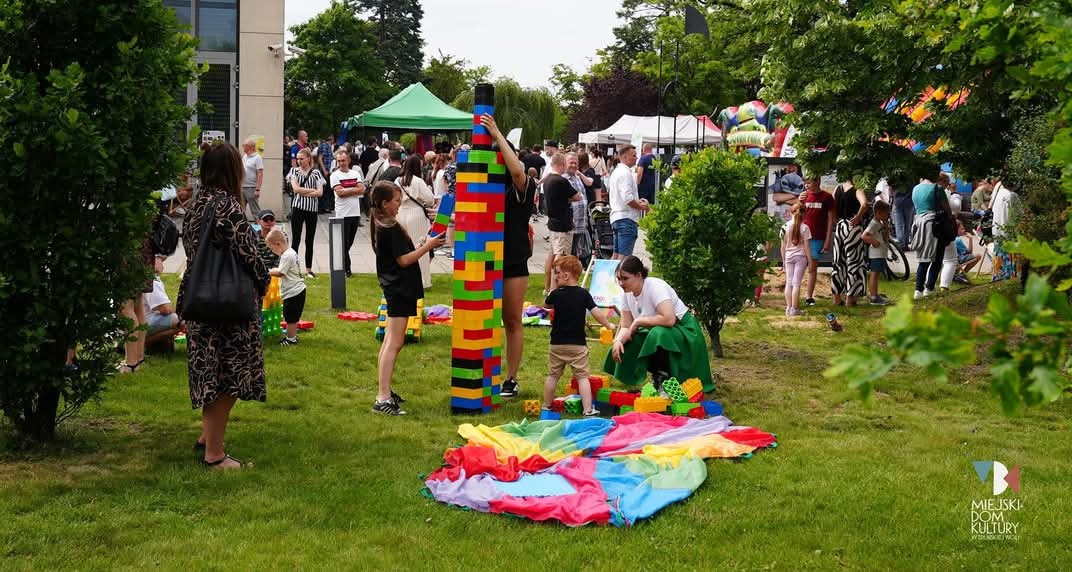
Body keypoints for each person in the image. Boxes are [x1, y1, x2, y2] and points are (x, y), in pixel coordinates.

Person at [177, 141, 270, 470]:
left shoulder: (197, 204)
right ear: (232, 170)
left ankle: (207, 437)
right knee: (227, 377)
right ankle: (214, 454)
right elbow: (250, 253)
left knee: (208, 371)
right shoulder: (228, 206)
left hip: (199, 300)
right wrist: (264, 280)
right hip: (228, 305)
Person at [368, 181, 446, 415]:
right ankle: (382, 398)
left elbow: (400, 254)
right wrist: (429, 246)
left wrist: (422, 244)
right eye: (396, 201)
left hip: (395, 288)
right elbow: (403, 260)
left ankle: (385, 391)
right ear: (384, 203)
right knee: (395, 342)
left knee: (390, 341)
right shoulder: (388, 227)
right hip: (399, 289)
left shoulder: (383, 223)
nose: (399, 204)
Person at [480, 114, 538, 399]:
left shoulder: (523, 188)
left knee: (512, 320)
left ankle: (511, 378)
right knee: (484, 319)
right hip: (485, 260)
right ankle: (483, 372)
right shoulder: (488, 189)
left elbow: (518, 173)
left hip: (513, 261)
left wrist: (497, 135)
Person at [604, 256, 714, 392]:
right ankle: (652, 377)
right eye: (619, 279)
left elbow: (669, 319)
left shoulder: (655, 287)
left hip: (683, 330)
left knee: (657, 334)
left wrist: (638, 321)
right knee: (634, 339)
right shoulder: (627, 294)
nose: (621, 283)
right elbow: (626, 326)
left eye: (625, 278)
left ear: (638, 275)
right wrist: (618, 340)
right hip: (655, 330)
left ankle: (664, 378)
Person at [542, 256, 615, 416]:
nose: (555, 276)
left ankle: (546, 405)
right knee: (582, 377)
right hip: (577, 345)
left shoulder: (556, 294)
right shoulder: (583, 294)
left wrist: (553, 288)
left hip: (557, 344)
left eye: (557, 273)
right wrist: (608, 325)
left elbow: (546, 304)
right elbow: (596, 313)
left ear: (566, 276)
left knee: (553, 375)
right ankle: (588, 409)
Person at [909, 169, 954, 298]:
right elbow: (947, 209)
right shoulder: (937, 188)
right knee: (937, 258)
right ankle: (929, 287)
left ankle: (918, 289)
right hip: (934, 225)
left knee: (923, 259)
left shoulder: (915, 188)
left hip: (918, 224)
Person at [394, 155, 436, 289]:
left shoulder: (397, 180)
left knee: (404, 249)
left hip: (400, 213)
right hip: (416, 214)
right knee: (421, 247)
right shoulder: (418, 181)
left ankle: (404, 278)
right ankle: (423, 280)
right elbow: (430, 199)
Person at [543, 153, 581, 294]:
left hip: (552, 222)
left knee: (552, 254)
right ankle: (554, 289)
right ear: (561, 164)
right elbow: (577, 196)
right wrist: (568, 200)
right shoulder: (561, 181)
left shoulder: (548, 180)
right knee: (561, 257)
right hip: (562, 224)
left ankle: (547, 287)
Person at [831, 178, 869, 306]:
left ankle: (836, 298)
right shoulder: (857, 189)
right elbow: (864, 204)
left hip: (840, 227)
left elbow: (832, 207)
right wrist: (858, 217)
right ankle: (850, 298)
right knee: (854, 262)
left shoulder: (837, 189)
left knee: (838, 263)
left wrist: (837, 221)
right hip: (853, 227)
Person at [607, 144, 650, 259]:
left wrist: (637, 202)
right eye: (634, 155)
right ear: (625, 157)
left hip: (617, 217)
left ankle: (610, 276)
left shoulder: (617, 172)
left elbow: (625, 197)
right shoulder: (625, 173)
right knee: (624, 258)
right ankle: (620, 277)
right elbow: (627, 199)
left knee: (616, 255)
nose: (637, 158)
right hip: (626, 218)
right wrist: (641, 206)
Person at [266, 229, 306, 346]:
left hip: (293, 292)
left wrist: (268, 271)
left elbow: (280, 273)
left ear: (278, 244)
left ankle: (291, 339)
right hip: (297, 291)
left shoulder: (287, 256)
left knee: (290, 317)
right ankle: (291, 336)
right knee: (291, 316)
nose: (273, 252)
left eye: (272, 249)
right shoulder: (291, 252)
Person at [287, 148, 324, 277]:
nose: (299, 161)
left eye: (301, 159)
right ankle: (294, 268)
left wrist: (304, 191)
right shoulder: (294, 171)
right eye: (297, 159)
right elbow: (295, 189)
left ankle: (309, 269)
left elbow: (320, 192)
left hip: (312, 210)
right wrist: (311, 191)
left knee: (310, 239)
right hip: (298, 208)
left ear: (308, 158)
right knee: (295, 239)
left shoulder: (316, 173)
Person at [801, 177, 836, 306]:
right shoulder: (804, 196)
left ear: (818, 182)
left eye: (810, 183)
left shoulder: (827, 197)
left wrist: (827, 240)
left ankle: (809, 296)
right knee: (799, 265)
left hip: (817, 237)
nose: (808, 185)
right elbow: (798, 214)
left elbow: (830, 219)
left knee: (812, 267)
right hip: (802, 236)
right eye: (806, 183)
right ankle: (795, 292)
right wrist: (799, 201)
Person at [331, 149, 365, 277]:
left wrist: (347, 190)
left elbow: (362, 190)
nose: (341, 163)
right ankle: (347, 269)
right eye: (339, 161)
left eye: (343, 160)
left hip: (355, 213)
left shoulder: (355, 173)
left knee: (349, 242)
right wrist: (354, 189)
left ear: (349, 160)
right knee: (344, 242)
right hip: (342, 213)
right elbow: (339, 193)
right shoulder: (335, 175)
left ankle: (342, 263)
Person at [143, 255, 184, 353]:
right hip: (143, 322)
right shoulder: (153, 279)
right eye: (160, 260)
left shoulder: (143, 275)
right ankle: (143, 343)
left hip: (138, 322)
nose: (163, 265)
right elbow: (165, 309)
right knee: (182, 321)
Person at [781, 202, 813, 316]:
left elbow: (783, 247)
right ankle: (795, 309)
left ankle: (789, 308)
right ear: (804, 214)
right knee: (796, 283)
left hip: (788, 257)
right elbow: (807, 247)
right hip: (801, 257)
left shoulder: (784, 227)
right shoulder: (805, 228)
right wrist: (810, 261)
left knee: (788, 283)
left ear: (791, 213)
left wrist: (783, 262)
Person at [565, 152, 593, 268]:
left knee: (575, 252)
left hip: (581, 222)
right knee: (567, 253)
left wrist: (579, 173)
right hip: (571, 221)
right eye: (571, 162)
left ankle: (571, 277)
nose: (573, 165)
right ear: (564, 163)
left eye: (575, 163)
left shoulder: (577, 177)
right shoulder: (564, 178)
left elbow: (590, 182)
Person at [862, 200, 892, 305]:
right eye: (886, 213)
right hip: (876, 253)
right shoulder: (874, 223)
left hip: (881, 253)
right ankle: (874, 297)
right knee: (874, 274)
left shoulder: (880, 223)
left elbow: (885, 238)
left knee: (877, 274)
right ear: (879, 213)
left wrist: (886, 226)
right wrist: (874, 242)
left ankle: (875, 294)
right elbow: (864, 236)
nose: (888, 216)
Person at [240, 138, 263, 221]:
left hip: (252, 188)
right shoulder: (245, 157)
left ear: (249, 147)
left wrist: (257, 189)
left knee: (255, 211)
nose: (243, 147)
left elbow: (260, 174)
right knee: (240, 210)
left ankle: (261, 229)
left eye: (244, 146)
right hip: (242, 187)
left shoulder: (257, 158)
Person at [891, 182, 915, 247]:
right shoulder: (912, 177)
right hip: (908, 202)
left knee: (899, 225)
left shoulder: (895, 177)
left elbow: (891, 188)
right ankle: (906, 244)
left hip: (897, 202)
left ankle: (901, 244)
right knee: (907, 225)